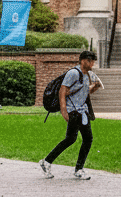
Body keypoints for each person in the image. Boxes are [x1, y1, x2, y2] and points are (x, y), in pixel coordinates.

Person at [39, 50, 102, 180]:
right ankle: (47, 162)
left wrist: (95, 86)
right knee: (71, 139)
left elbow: (83, 92)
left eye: (93, 61)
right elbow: (62, 92)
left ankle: (77, 169)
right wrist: (64, 111)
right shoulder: (73, 73)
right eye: (90, 61)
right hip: (73, 111)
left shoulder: (86, 75)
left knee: (86, 139)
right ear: (84, 60)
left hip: (82, 111)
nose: (92, 64)